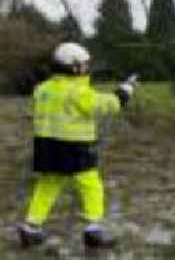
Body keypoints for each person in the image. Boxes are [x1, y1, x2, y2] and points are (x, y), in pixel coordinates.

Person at [18, 42, 137, 249]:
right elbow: (105, 104)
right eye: (83, 64)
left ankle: (31, 228)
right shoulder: (78, 91)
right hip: (75, 148)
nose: (86, 68)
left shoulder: (43, 89)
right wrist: (124, 92)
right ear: (73, 67)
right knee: (90, 186)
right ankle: (93, 230)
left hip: (47, 147)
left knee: (47, 186)